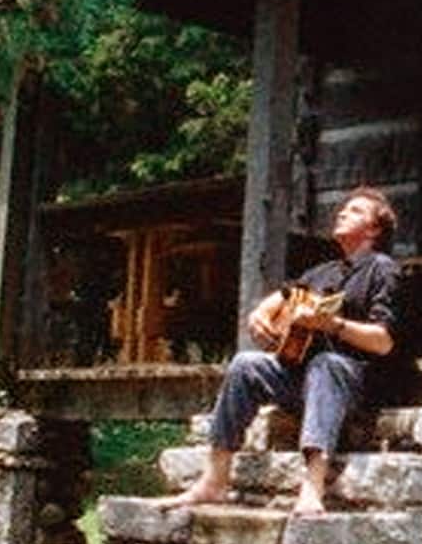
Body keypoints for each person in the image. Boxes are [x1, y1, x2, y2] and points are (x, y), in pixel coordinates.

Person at [161, 186, 403, 514]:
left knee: (326, 363)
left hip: (358, 380)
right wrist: (259, 314)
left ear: (374, 229)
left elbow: (383, 341)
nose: (343, 213)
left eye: (356, 211)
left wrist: (332, 325)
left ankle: (313, 484)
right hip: (308, 380)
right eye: (343, 209)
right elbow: (285, 295)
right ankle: (214, 481)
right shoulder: (325, 271)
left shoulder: (383, 269)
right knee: (246, 363)